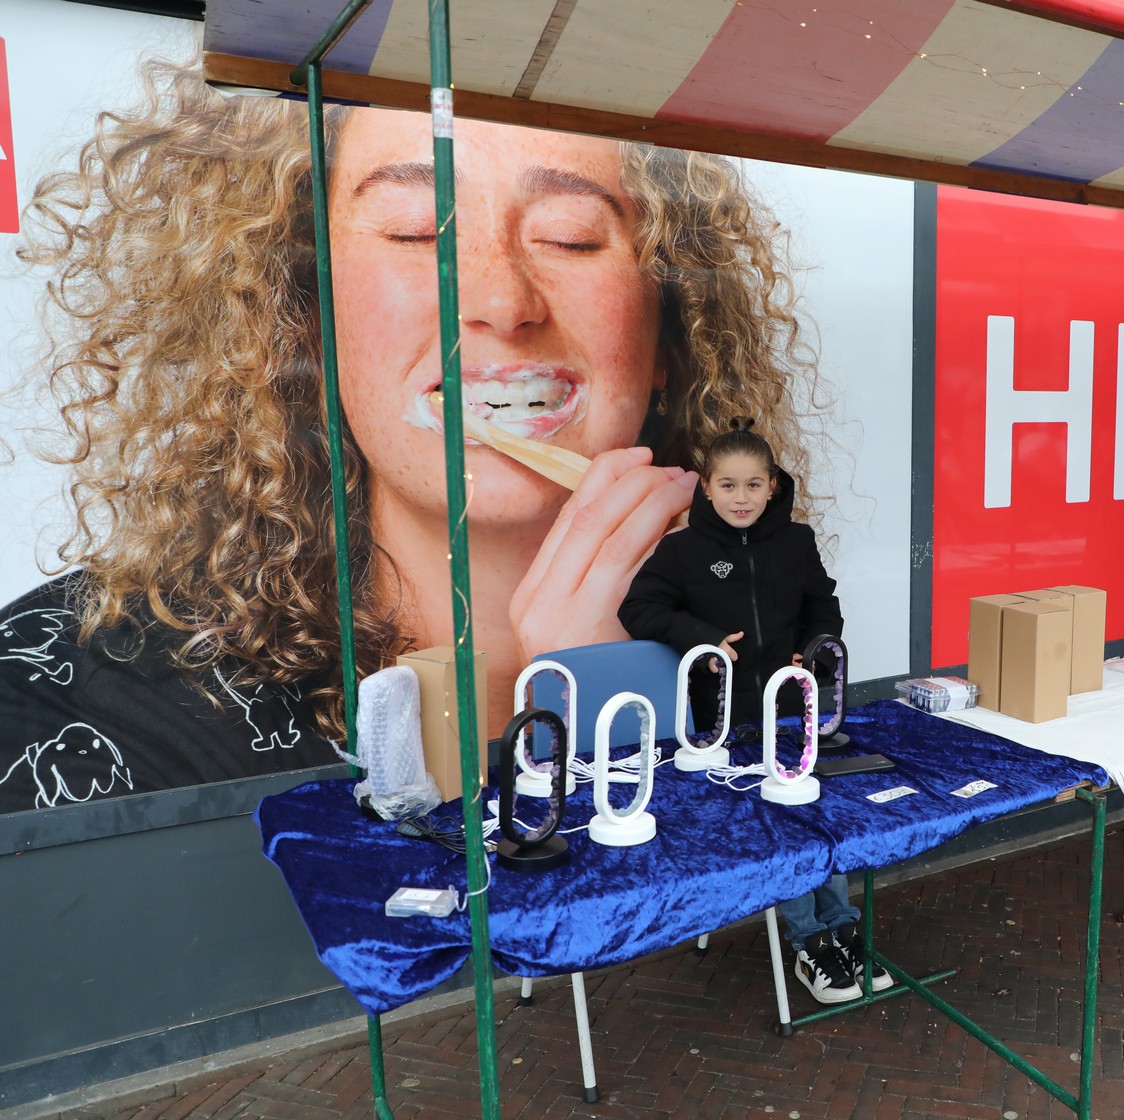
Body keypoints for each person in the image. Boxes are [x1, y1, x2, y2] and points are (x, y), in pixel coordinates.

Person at [0, 63, 821, 812]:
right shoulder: (70, 702)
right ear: (302, 315)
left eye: (571, 236)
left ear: (669, 333)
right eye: (415, 230)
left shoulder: (746, 637)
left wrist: (620, 708)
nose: (503, 301)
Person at [618, 420, 887, 1005]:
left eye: (753, 485)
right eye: (728, 485)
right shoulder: (683, 550)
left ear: (772, 487)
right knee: (779, 829)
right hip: (727, 724)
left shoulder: (796, 542)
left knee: (816, 818)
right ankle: (810, 941)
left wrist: (813, 649)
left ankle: (843, 929)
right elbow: (638, 608)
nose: (741, 498)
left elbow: (823, 605)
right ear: (707, 489)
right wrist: (703, 639)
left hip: (792, 714)